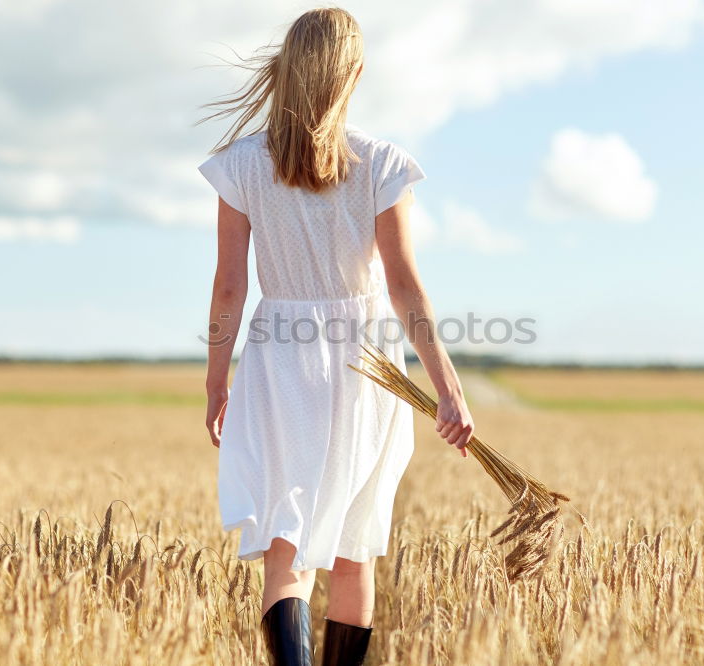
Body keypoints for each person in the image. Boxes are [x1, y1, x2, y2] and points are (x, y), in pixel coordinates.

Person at [196, 8, 474, 665]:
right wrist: (448, 391)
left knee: (285, 545)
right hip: (367, 362)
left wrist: (215, 382)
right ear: (352, 73)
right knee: (354, 547)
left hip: (278, 355)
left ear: (289, 69)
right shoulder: (381, 163)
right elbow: (406, 286)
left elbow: (229, 289)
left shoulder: (240, 165)